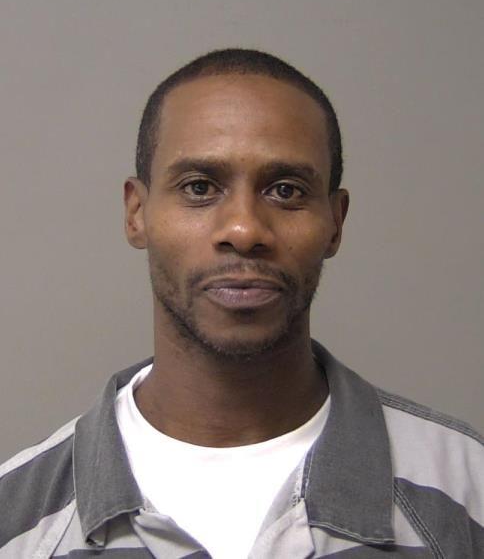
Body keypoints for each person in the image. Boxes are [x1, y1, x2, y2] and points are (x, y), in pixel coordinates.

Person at [0, 48, 482, 559]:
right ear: (137, 212)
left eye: (285, 190)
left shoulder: (467, 493)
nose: (244, 229)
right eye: (199, 187)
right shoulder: (16, 520)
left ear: (335, 222)